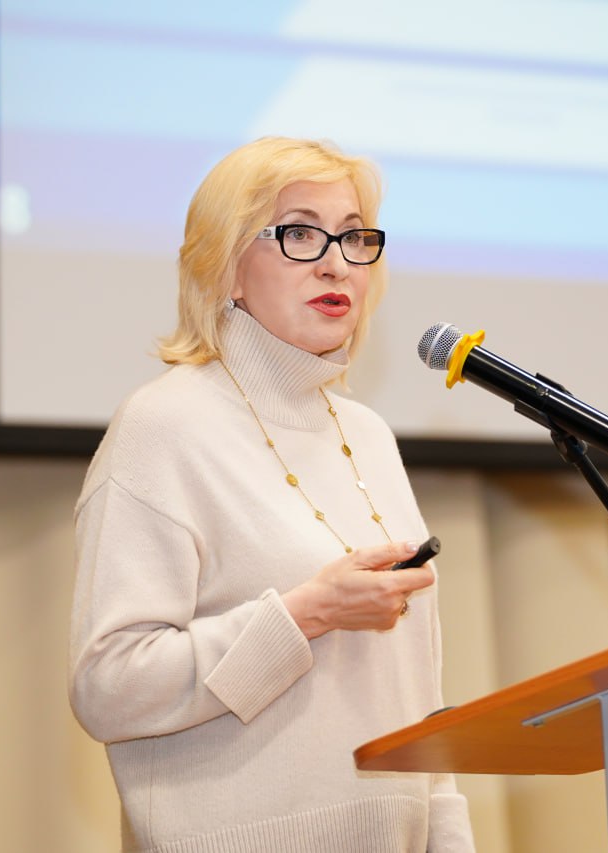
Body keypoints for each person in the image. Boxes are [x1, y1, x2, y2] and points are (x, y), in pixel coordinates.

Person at [68, 137, 475, 852]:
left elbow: (419, 688)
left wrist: (448, 838)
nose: (336, 263)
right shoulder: (164, 425)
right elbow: (109, 686)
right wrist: (308, 613)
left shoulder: (368, 435)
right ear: (226, 267)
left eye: (354, 237)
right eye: (299, 233)